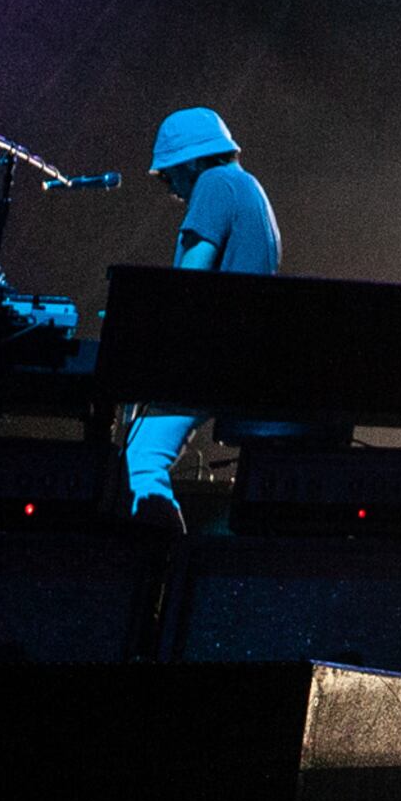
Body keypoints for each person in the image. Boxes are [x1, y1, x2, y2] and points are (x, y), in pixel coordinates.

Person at [124, 106, 282, 528]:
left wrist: (140, 320)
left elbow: (189, 285)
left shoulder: (214, 184)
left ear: (192, 161)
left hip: (210, 356)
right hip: (239, 352)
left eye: (171, 175)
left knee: (141, 461)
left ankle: (157, 566)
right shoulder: (249, 187)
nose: (171, 189)